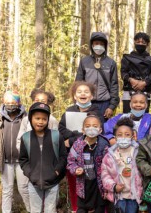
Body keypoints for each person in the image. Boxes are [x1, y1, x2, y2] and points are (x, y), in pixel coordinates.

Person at [58, 81, 100, 212]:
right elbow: (61, 128)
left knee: (91, 184)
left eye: (86, 92)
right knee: (74, 183)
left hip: (92, 155)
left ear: (92, 96)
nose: (83, 94)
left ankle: (92, 208)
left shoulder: (96, 112)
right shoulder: (69, 111)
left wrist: (71, 140)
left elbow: (97, 131)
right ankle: (76, 209)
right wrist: (75, 136)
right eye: (79, 92)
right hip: (73, 156)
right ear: (74, 96)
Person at [19, 102, 67, 212]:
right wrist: (30, 172)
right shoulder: (26, 138)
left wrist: (57, 170)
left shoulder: (56, 136)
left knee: (50, 210)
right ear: (31, 118)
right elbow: (23, 159)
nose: (41, 122)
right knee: (35, 210)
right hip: (34, 183)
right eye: (37, 118)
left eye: (44, 119)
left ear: (48, 120)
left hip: (52, 182)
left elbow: (63, 156)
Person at [0, 91, 30, 213]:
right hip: (5, 161)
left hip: (22, 160)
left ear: (19, 103)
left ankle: (33, 210)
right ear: (3, 102)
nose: (10, 106)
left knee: (24, 188)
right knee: (7, 190)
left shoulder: (25, 118)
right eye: (7, 103)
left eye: (13, 103)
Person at [67, 114, 110, 213]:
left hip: (99, 185)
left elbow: (110, 164)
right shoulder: (78, 144)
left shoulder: (104, 144)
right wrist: (75, 169)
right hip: (83, 184)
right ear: (83, 130)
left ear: (100, 130)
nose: (91, 129)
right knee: (81, 209)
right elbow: (70, 161)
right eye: (88, 126)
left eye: (95, 126)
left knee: (100, 208)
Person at [76, 32, 120, 122]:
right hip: (87, 102)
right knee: (86, 128)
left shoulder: (111, 63)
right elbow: (78, 83)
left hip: (104, 103)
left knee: (103, 130)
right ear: (92, 44)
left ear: (105, 46)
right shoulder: (84, 62)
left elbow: (114, 85)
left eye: (101, 44)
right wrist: (77, 102)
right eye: (96, 43)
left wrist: (112, 106)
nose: (99, 46)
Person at [102, 117, 143, 213]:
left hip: (134, 195)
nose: (123, 137)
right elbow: (105, 174)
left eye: (127, 134)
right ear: (115, 137)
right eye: (120, 135)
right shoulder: (110, 155)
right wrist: (113, 186)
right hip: (118, 196)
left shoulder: (139, 153)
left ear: (133, 136)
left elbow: (144, 172)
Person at [121, 32, 151, 113]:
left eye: (143, 42)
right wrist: (131, 80)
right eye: (138, 42)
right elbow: (123, 72)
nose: (140, 44)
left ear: (147, 44)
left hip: (145, 90)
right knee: (127, 116)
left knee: (144, 117)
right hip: (129, 91)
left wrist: (144, 83)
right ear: (134, 42)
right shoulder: (127, 58)